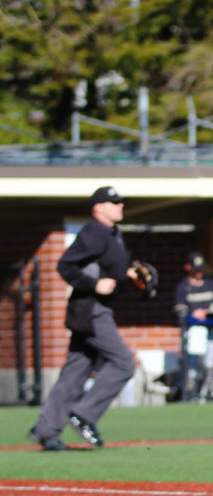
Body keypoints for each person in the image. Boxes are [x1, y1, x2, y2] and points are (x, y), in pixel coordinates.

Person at [28, 186, 139, 450]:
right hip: (90, 309)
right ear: (98, 207)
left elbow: (113, 267)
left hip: (96, 309)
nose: (120, 206)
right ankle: (85, 414)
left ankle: (46, 430)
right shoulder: (94, 233)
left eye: (121, 202)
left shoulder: (112, 233)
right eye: (114, 203)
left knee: (75, 372)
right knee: (124, 363)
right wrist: (93, 284)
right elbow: (65, 265)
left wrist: (131, 272)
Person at [174, 252, 213, 401]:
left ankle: (212, 393)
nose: (199, 272)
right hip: (193, 332)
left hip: (210, 330)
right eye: (196, 269)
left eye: (201, 269)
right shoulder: (183, 287)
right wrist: (193, 314)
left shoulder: (211, 284)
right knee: (193, 366)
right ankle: (190, 394)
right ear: (188, 268)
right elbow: (180, 312)